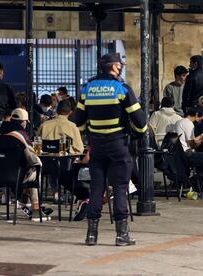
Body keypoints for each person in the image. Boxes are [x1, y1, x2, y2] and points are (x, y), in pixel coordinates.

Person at [75, 53, 147, 247]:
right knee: (120, 187)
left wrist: (89, 133)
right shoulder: (121, 89)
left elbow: (78, 122)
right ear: (114, 67)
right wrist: (139, 134)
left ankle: (91, 235)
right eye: (120, 65)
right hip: (118, 143)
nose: (121, 67)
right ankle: (121, 235)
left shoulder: (87, 89)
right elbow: (140, 122)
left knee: (97, 187)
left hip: (96, 145)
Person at [0, 108, 51, 221]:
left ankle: (22, 202)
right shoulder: (20, 134)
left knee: (29, 169)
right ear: (23, 122)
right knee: (36, 167)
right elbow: (32, 158)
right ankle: (35, 209)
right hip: (17, 177)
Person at [171, 106, 203, 171]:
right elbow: (192, 145)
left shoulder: (180, 122)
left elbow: (189, 141)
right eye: (201, 116)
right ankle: (199, 179)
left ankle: (199, 178)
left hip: (180, 154)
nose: (201, 118)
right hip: (187, 155)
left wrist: (202, 136)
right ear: (196, 114)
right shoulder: (188, 123)